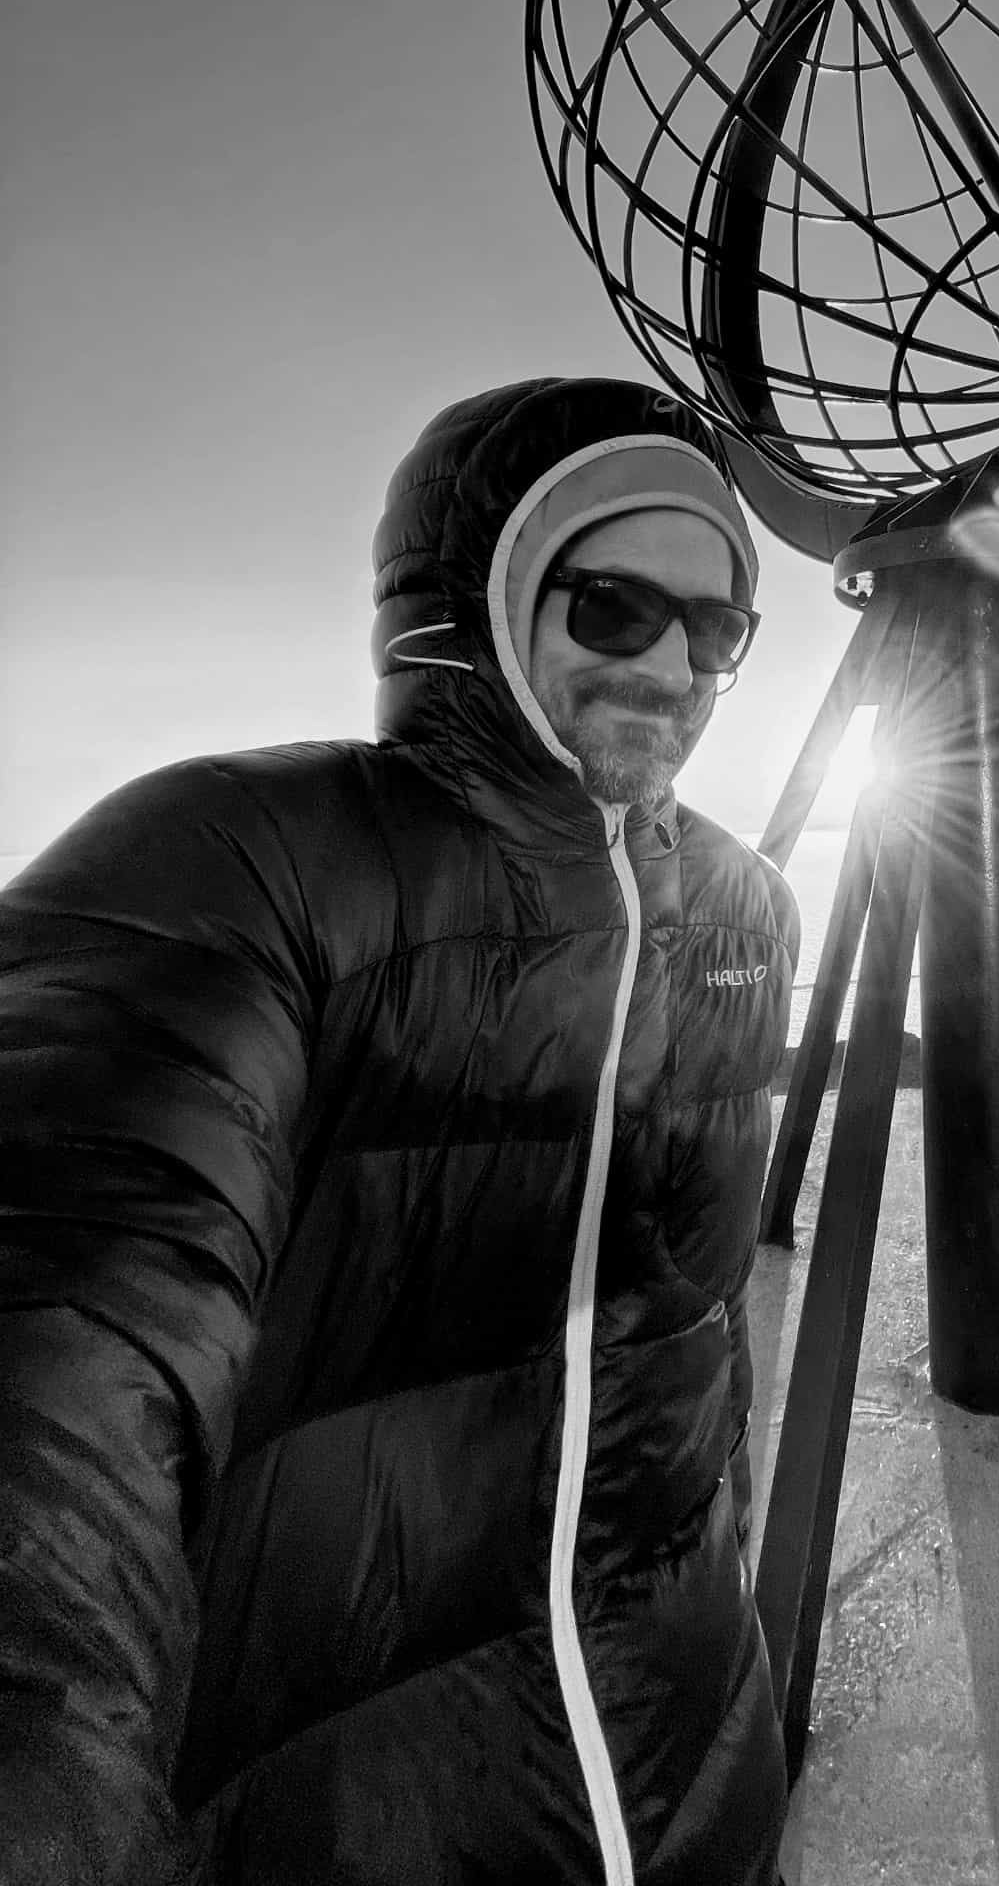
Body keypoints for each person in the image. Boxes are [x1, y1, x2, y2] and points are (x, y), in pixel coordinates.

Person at [0, 376, 801, 1886]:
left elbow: (700, 1358)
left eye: (720, 628)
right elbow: (69, 1332)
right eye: (619, 607)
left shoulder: (745, 914)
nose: (680, 667)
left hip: (696, 1777)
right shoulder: (243, 865)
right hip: (358, 1817)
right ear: (474, 603)